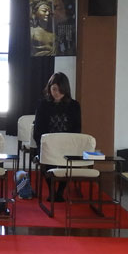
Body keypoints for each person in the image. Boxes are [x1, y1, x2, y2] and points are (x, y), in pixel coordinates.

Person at [34, 72, 81, 200]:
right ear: (49, 88)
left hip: (67, 145)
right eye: (54, 89)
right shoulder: (43, 104)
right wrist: (45, 144)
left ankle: (60, 191)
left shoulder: (74, 106)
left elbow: (77, 130)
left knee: (68, 157)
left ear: (66, 90)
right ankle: (51, 190)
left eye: (61, 90)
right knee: (45, 157)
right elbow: (38, 130)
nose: (57, 93)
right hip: (47, 144)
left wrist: (68, 144)